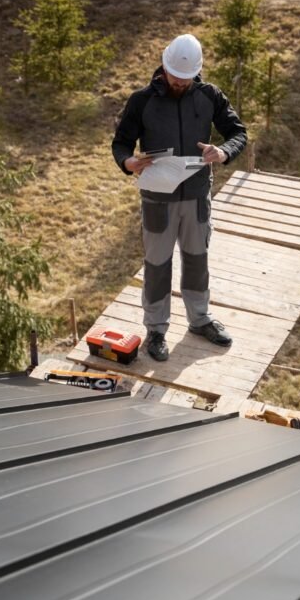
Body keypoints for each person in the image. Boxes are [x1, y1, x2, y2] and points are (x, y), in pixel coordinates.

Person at [112, 33, 247, 362]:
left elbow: (238, 133)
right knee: (158, 265)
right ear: (164, 66)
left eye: (185, 78)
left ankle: (200, 320)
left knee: (196, 260)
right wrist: (128, 162)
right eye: (174, 76)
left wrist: (223, 151)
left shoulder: (209, 96)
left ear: (195, 74)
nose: (179, 82)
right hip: (158, 198)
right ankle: (156, 329)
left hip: (197, 195)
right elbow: (121, 143)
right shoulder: (142, 101)